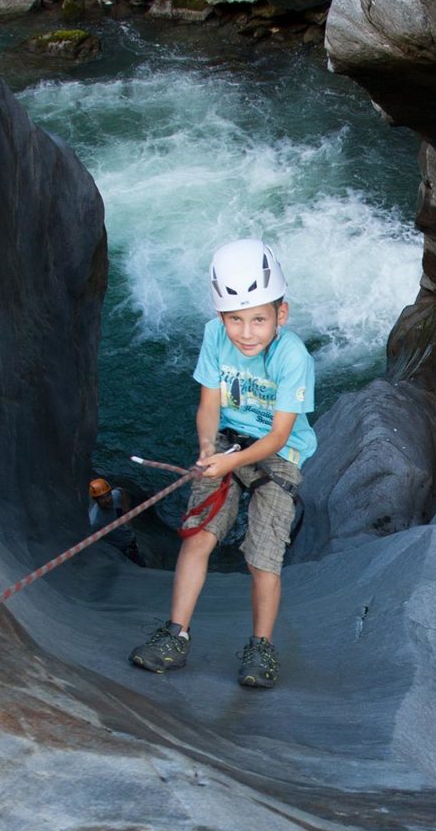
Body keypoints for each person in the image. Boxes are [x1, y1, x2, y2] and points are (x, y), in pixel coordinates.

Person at [128, 238, 317, 689]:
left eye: (258, 319)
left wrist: (229, 465)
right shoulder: (215, 338)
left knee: (262, 556)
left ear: (281, 315)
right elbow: (208, 403)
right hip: (227, 444)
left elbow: (277, 436)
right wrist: (208, 449)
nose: (246, 332)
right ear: (220, 318)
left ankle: (260, 647)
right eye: (235, 320)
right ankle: (175, 635)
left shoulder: (294, 357)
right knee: (198, 535)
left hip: (279, 455)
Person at [88, 478, 136, 553]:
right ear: (95, 500)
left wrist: (126, 508)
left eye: (108, 495)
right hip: (119, 550)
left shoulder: (115, 496)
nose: (107, 500)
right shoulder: (95, 521)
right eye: (102, 498)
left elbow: (121, 490)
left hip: (130, 540)